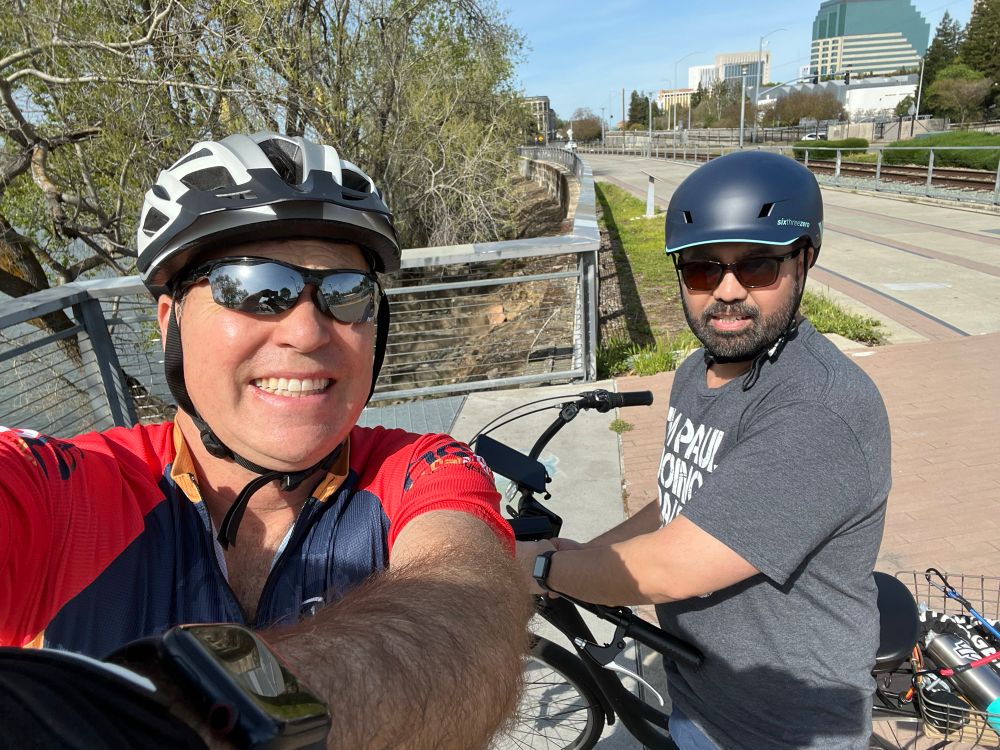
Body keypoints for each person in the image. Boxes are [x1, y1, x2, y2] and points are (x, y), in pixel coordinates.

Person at [0, 132, 530, 749]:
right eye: (253, 287)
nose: (307, 332)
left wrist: (179, 724)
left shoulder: (423, 467)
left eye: (346, 293)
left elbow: (465, 613)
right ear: (171, 321)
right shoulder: (62, 489)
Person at [519, 151, 891, 750]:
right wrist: (584, 554)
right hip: (700, 693)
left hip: (781, 730)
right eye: (701, 269)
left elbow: (673, 568)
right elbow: (681, 502)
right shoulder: (700, 370)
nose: (728, 291)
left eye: (759, 266)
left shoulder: (818, 410)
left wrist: (540, 570)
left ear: (804, 260)